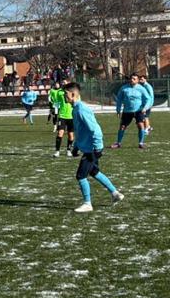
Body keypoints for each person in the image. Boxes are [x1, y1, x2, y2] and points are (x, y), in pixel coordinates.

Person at [65, 82, 125, 213]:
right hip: (87, 148)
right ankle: (115, 194)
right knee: (94, 172)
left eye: (66, 94)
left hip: (91, 149)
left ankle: (87, 203)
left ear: (73, 94)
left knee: (81, 176)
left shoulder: (81, 109)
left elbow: (95, 129)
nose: (65, 97)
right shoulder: (75, 108)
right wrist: (76, 146)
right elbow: (81, 131)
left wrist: (97, 148)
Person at [112, 74, 147, 149]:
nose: (132, 80)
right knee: (122, 127)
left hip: (139, 111)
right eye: (131, 78)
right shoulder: (124, 88)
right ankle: (118, 143)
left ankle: (141, 143)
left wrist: (145, 107)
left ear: (137, 80)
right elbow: (119, 100)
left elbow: (148, 99)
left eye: (134, 79)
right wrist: (118, 110)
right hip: (127, 111)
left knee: (141, 125)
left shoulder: (142, 89)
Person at [52, 82, 75, 157]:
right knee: (60, 133)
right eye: (63, 83)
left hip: (71, 116)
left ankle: (68, 150)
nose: (64, 84)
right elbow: (56, 102)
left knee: (71, 135)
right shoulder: (59, 92)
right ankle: (57, 151)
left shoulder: (72, 92)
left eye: (66, 83)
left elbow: (75, 102)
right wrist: (54, 110)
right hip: (62, 116)